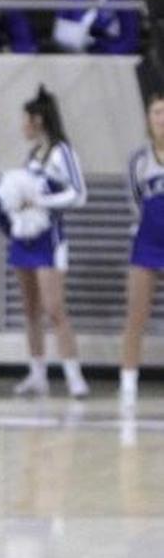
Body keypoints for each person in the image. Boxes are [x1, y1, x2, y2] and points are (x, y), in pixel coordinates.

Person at [0, 85, 89, 398]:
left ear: (38, 120)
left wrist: (41, 201)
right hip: (25, 239)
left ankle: (74, 376)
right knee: (30, 309)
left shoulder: (63, 152)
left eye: (26, 120)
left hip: (51, 240)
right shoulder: (33, 155)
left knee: (54, 307)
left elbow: (78, 194)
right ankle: (37, 374)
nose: (23, 126)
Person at [119, 92, 164, 411]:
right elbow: (134, 200)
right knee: (137, 315)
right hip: (147, 242)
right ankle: (128, 385)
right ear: (148, 118)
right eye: (156, 112)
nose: (161, 118)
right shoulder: (139, 160)